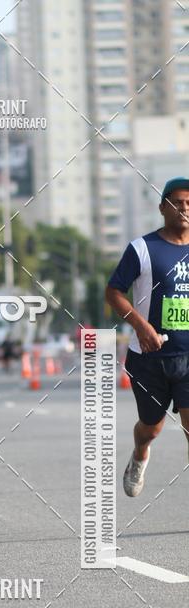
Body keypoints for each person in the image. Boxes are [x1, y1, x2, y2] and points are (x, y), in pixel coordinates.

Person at [106, 177, 189, 496]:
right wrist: (141, 326)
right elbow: (113, 292)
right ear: (162, 207)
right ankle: (140, 454)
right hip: (149, 358)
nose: (184, 208)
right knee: (151, 427)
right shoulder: (142, 248)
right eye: (177, 202)